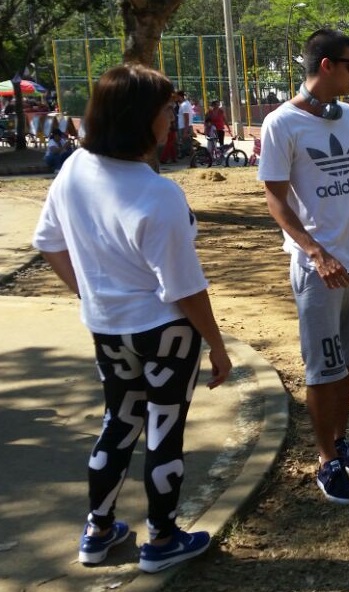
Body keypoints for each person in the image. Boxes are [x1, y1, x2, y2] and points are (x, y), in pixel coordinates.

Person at [31, 64, 232, 572]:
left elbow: (49, 243)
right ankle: (161, 540)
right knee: (164, 428)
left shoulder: (74, 169)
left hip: (108, 328)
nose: (172, 117)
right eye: (167, 109)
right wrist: (217, 344)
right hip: (164, 331)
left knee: (117, 422)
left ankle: (97, 531)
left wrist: (92, 295)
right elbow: (186, 289)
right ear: (143, 118)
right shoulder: (159, 195)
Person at [257, 28, 349, 505]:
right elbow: (274, 198)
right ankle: (324, 459)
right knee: (323, 367)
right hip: (318, 270)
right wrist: (315, 251)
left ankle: (340, 440)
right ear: (327, 66)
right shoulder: (280, 124)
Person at [176, 90, 193, 157]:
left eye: (176, 97)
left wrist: (185, 131)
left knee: (188, 145)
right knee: (187, 144)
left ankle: (194, 159)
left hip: (184, 127)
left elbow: (186, 119)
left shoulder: (184, 105)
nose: (176, 99)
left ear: (180, 96)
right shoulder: (185, 104)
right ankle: (193, 159)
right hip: (184, 127)